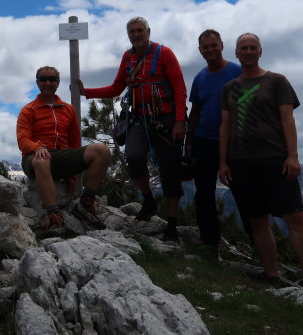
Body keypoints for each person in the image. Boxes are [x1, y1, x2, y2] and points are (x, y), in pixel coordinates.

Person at [78, 16, 187, 242]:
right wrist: (87, 92)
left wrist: (179, 122)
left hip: (166, 119)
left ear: (148, 31)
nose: (136, 35)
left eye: (140, 30)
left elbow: (179, 88)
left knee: (170, 169)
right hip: (139, 118)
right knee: (134, 157)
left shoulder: (164, 54)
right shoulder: (128, 57)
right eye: (132, 32)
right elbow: (118, 87)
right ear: (129, 35)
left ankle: (172, 224)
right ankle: (149, 200)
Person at [219, 33, 303, 283]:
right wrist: (223, 162)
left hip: (276, 159)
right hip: (241, 162)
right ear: (236, 53)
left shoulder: (277, 81)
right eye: (243, 48)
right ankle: (272, 274)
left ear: (260, 51)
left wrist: (293, 155)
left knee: (295, 218)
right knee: (257, 220)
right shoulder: (229, 88)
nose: (248, 51)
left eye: (252, 47)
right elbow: (225, 126)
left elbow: (288, 119)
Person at [17, 66, 111, 234]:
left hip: (61, 156)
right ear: (37, 83)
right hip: (34, 158)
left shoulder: (68, 109)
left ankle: (85, 205)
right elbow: (23, 139)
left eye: (52, 79)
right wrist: (37, 147)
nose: (48, 83)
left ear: (58, 83)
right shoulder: (28, 110)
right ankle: (54, 216)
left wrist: (73, 176)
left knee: (101, 150)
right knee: (42, 160)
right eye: (43, 79)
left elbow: (75, 142)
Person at [187, 29, 242, 250]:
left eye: (213, 45)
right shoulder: (200, 78)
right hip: (204, 140)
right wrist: (189, 143)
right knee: (204, 193)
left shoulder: (237, 73)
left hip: (234, 141)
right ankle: (209, 242)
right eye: (205, 47)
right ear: (200, 51)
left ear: (222, 45)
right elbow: (195, 112)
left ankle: (259, 246)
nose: (210, 50)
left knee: (243, 192)